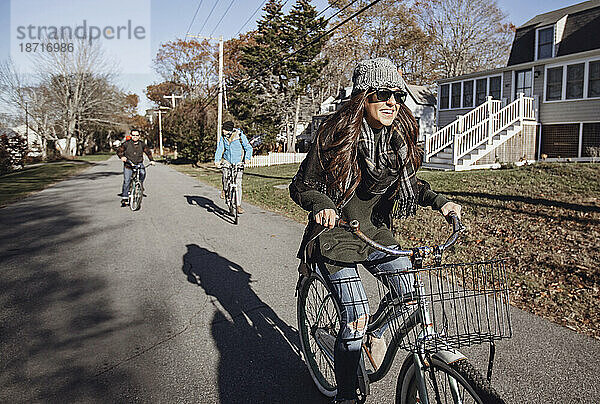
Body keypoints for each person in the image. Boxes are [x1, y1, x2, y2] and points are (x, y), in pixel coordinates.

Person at [289, 58, 462, 404]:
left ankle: (375, 336)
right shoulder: (334, 137)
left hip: (374, 232)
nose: (391, 103)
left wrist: (441, 202)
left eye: (396, 96)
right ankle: (346, 395)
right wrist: (321, 203)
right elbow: (301, 185)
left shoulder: (397, 141)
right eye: (382, 94)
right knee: (355, 318)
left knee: (411, 295)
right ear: (362, 97)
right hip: (335, 234)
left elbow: (410, 185)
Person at [214, 120, 253, 214]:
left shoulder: (240, 136)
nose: (223, 131)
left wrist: (247, 158)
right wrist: (217, 160)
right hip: (227, 161)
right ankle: (225, 189)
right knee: (225, 178)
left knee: (238, 184)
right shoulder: (223, 138)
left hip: (238, 162)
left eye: (224, 129)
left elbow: (248, 147)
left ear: (229, 130)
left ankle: (238, 205)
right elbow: (220, 149)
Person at [116, 129, 155, 207]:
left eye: (137, 135)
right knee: (127, 181)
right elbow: (119, 151)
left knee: (143, 173)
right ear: (131, 136)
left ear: (139, 136)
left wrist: (151, 160)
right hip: (128, 165)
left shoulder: (142, 144)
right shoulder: (126, 144)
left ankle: (139, 184)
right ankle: (125, 198)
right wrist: (122, 157)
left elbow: (148, 152)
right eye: (133, 135)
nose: (135, 137)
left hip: (139, 163)